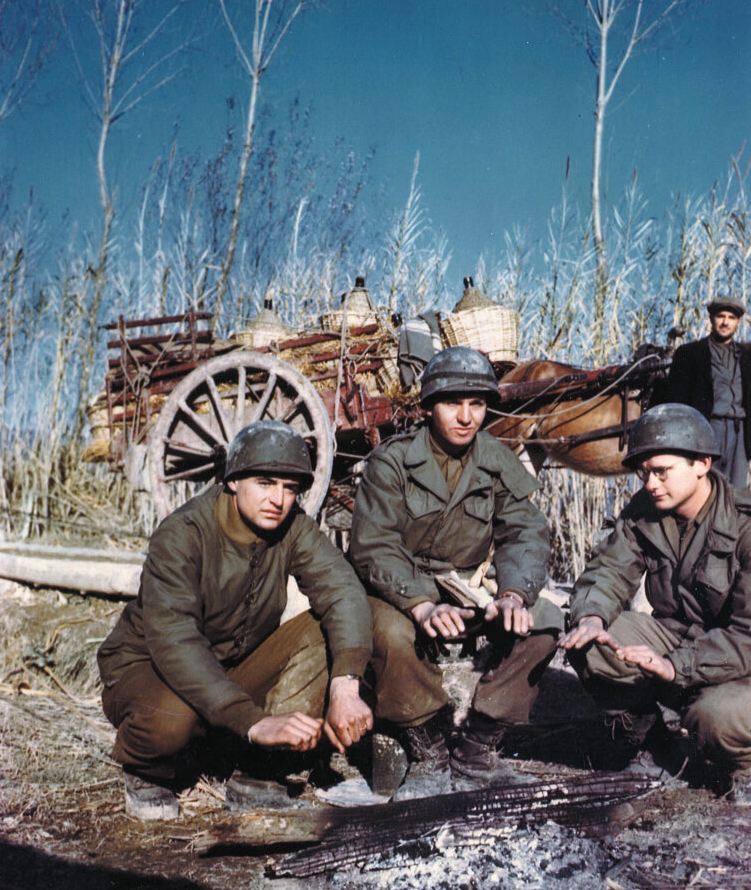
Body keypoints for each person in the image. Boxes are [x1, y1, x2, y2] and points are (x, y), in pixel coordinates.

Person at [98, 421, 444, 820]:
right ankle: (147, 770)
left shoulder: (293, 526)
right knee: (172, 720)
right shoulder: (181, 535)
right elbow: (175, 643)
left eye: (290, 488)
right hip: (151, 669)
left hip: (232, 668)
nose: (278, 499)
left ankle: (260, 771)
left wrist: (345, 687)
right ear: (232, 481)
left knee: (329, 627)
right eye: (264, 482)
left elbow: (342, 590)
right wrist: (252, 722)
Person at [349, 346, 563, 796]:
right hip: (399, 588)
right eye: (452, 403)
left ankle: (478, 745)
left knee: (542, 620)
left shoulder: (496, 458)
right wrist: (421, 605)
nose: (466, 417)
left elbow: (525, 531)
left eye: (477, 404)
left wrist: (513, 594)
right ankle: (427, 747)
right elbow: (374, 546)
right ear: (428, 407)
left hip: (467, 586)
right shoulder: (393, 461)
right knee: (389, 635)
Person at [560, 404, 751, 804]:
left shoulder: (745, 525)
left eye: (661, 471)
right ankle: (657, 749)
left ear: (702, 463)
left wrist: (674, 666)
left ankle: (742, 768)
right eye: (643, 472)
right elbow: (607, 572)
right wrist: (592, 617)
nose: (649, 483)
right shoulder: (645, 514)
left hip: (741, 665)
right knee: (592, 641)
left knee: (715, 720)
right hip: (686, 647)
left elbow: (747, 636)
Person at [667, 296, 751, 486]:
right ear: (711, 318)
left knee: (735, 493)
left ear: (738, 322)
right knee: (705, 490)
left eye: (731, 317)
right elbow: (677, 401)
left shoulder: (746, 357)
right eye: (720, 316)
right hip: (708, 430)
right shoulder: (690, 353)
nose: (725, 322)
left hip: (740, 436)